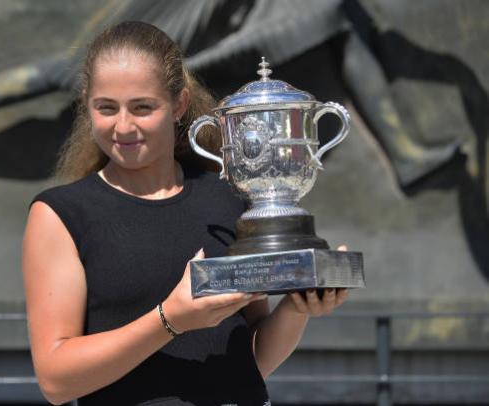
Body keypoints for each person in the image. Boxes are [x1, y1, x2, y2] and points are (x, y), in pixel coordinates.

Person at [22, 21, 348, 406]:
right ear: (86, 103)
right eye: (106, 108)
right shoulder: (61, 215)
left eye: (142, 107)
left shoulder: (228, 197)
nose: (123, 126)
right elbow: (56, 381)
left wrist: (297, 307)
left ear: (178, 104)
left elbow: (250, 359)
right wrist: (170, 320)